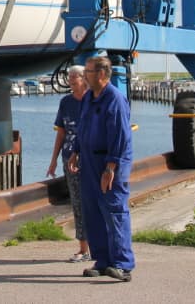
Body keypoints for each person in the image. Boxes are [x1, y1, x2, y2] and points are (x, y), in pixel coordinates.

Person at [68, 54, 135, 282]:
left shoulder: (114, 99)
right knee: (93, 213)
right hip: (88, 161)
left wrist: (111, 167)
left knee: (115, 212)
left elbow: (120, 136)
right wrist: (76, 151)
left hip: (108, 164)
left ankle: (123, 264)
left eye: (88, 72)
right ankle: (103, 260)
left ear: (102, 74)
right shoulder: (89, 98)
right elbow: (82, 126)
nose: (84, 76)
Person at [46, 64, 89, 262]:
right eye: (70, 78)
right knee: (78, 202)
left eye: (75, 78)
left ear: (84, 79)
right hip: (69, 158)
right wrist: (53, 160)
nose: (71, 81)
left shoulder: (93, 100)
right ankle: (83, 248)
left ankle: (100, 245)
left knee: (94, 202)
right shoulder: (65, 102)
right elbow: (61, 132)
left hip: (91, 158)